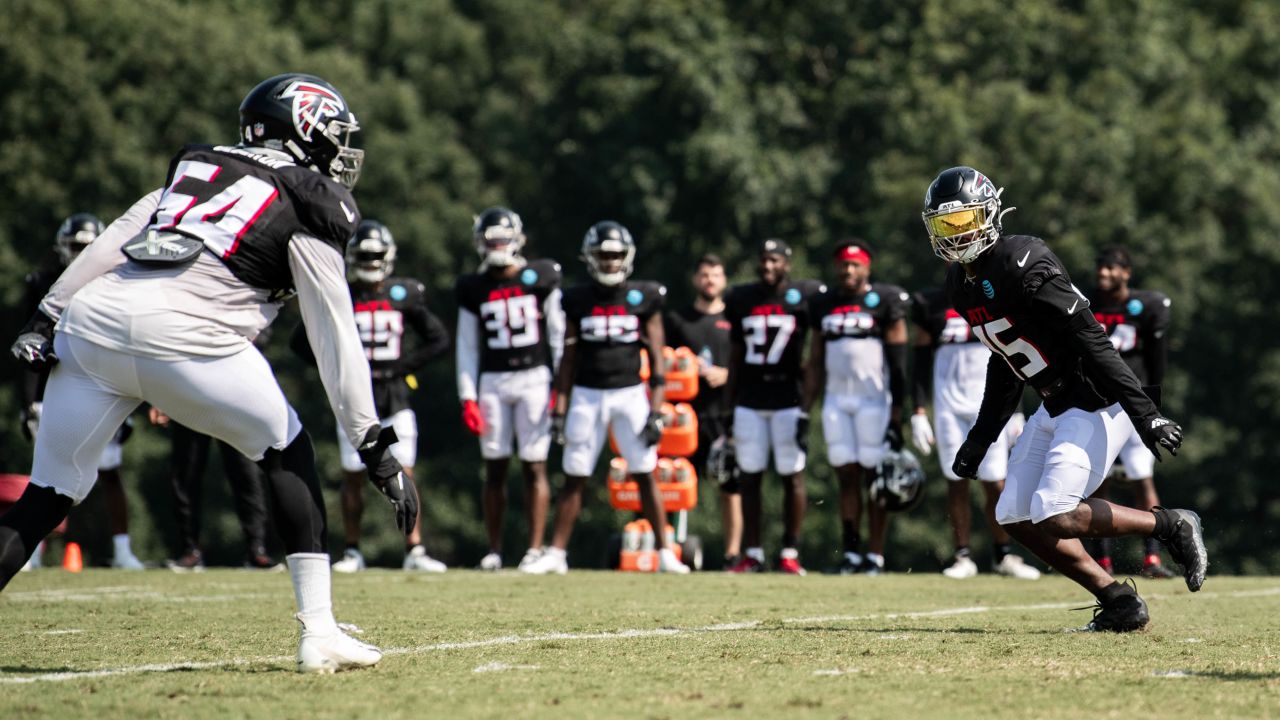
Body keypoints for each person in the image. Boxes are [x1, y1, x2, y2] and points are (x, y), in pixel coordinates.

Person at [5, 73, 417, 672]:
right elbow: (335, 333)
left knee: (43, 500)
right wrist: (372, 445)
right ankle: (320, 631)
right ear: (302, 132)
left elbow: (119, 237)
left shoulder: (198, 166)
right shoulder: (308, 198)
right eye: (333, 136)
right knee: (286, 448)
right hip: (188, 336)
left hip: (93, 326)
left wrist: (48, 314)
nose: (341, 151)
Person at [921, 165, 1206, 632]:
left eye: (962, 221)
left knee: (1056, 513)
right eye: (944, 226)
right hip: (1053, 404)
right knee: (1013, 514)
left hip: (1097, 402)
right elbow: (1006, 360)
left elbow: (1093, 339)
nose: (956, 235)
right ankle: (1118, 602)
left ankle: (1170, 525)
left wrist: (1147, 415)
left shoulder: (1023, 260)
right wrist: (981, 438)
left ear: (989, 213)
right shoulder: (960, 284)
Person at [522, 221, 690, 575]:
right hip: (586, 394)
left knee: (645, 471)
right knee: (575, 474)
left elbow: (658, 357)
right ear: (590, 258)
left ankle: (664, 551)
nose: (611, 262)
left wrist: (657, 410)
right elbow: (568, 358)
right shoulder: (577, 298)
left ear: (627, 258)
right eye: (603, 255)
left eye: (615, 255)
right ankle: (557, 552)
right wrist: (560, 410)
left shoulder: (643, 296)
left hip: (630, 394)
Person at [292, 219, 450, 573]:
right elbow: (300, 340)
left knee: (403, 468)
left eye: (375, 254)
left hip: (393, 404)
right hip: (355, 404)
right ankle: (353, 551)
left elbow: (438, 339)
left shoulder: (402, 294)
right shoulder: (340, 293)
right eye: (364, 254)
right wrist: (333, 369)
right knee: (353, 473)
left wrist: (401, 367)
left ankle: (414, 549)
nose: (369, 260)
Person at [17, 213, 144, 570]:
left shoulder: (115, 282)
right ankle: (31, 551)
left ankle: (122, 550)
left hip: (102, 383)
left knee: (109, 471)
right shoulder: (42, 282)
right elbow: (29, 344)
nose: (78, 254)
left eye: (85, 248)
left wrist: (132, 401)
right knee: (44, 474)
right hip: (53, 384)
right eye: (74, 247)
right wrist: (28, 404)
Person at [455, 206, 561, 572]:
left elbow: (558, 335)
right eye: (491, 240)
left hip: (534, 375)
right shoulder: (473, 286)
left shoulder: (540, 276)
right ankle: (495, 549)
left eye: (502, 238)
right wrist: (467, 395)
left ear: (518, 239)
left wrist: (559, 384)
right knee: (495, 467)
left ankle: (534, 548)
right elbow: (466, 345)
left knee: (535, 464)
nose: (497, 245)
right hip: (493, 380)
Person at [911, 286, 1041, 580]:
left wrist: (1016, 408)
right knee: (956, 481)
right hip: (948, 406)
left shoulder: (993, 296)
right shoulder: (929, 301)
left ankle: (1003, 553)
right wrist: (918, 410)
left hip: (990, 407)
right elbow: (919, 360)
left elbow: (1012, 354)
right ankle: (962, 555)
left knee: (996, 482)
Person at [802, 240, 909, 575]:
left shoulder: (884, 301)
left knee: (875, 478)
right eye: (843, 265)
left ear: (868, 267)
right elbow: (816, 360)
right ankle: (850, 552)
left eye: (855, 265)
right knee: (846, 476)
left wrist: (898, 413)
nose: (848, 270)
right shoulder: (823, 304)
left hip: (873, 401)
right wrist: (805, 407)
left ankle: (874, 555)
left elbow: (899, 362)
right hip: (836, 399)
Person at [724, 239, 825, 574]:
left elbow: (815, 354)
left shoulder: (806, 295)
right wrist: (729, 403)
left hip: (787, 399)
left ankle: (789, 551)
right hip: (750, 400)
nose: (768, 267)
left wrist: (806, 406)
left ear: (787, 264)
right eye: (764, 260)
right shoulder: (741, 298)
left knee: (792, 476)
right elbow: (735, 356)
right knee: (749, 478)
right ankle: (752, 552)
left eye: (775, 261)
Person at [1084, 247, 1177, 578]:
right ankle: (1101, 558)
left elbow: (1156, 360)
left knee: (1141, 476)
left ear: (1127, 272)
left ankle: (1152, 557)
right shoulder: (1085, 303)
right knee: (1098, 480)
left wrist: (1153, 405)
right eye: (1100, 268)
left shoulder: (1146, 306)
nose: (1103, 274)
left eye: (1111, 268)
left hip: (1134, 404)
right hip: (1097, 403)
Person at [663, 255, 740, 568]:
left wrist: (727, 374)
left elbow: (748, 361)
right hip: (684, 418)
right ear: (696, 279)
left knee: (730, 486)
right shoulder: (678, 320)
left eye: (716, 275)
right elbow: (663, 361)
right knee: (674, 485)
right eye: (704, 274)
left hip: (723, 416)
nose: (710, 280)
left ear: (724, 280)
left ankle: (733, 556)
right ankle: (670, 549)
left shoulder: (735, 318)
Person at [150, 403, 277, 572]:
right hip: (189, 399)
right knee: (186, 475)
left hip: (231, 402)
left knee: (247, 476)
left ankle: (257, 550)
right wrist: (160, 398)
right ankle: (190, 551)